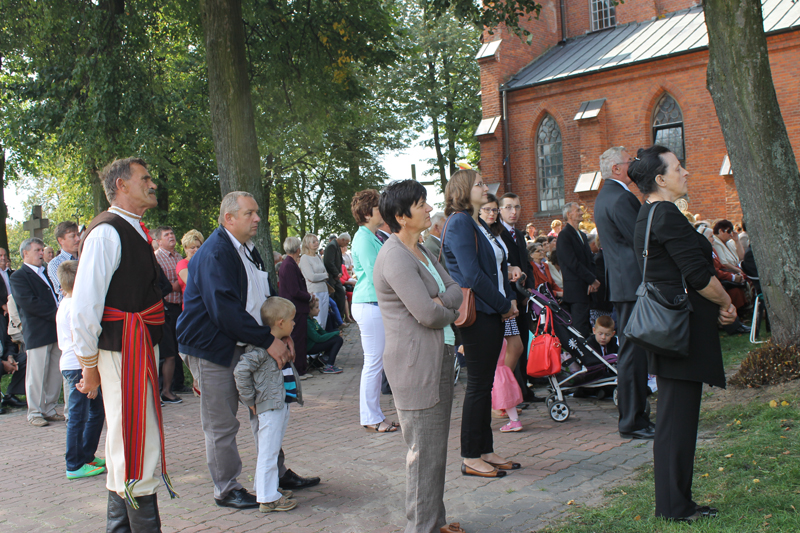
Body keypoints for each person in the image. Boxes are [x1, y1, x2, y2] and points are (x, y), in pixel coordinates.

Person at [177, 191, 320, 510]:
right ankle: (226, 489)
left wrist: (282, 330)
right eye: (250, 213)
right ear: (229, 218)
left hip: (249, 339)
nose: (257, 218)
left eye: (257, 212)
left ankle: (275, 474)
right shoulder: (216, 253)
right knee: (222, 421)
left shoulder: (248, 249)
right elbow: (224, 311)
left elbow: (264, 295)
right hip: (212, 346)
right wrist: (269, 340)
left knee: (268, 407)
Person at [628, 145, 735, 523]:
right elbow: (697, 274)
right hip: (679, 329)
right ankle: (674, 506)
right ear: (660, 179)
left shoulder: (649, 212)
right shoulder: (666, 214)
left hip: (671, 327)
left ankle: (678, 502)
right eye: (678, 167)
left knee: (678, 419)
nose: (686, 172)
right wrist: (725, 302)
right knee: (677, 421)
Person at [71, 157, 173, 529]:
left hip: (136, 346)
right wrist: (88, 364)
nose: (153, 183)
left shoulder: (130, 228)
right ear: (121, 186)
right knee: (136, 444)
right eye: (144, 178)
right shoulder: (106, 232)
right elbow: (85, 306)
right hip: (123, 350)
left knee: (126, 446)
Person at [373, 180, 465, 533]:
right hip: (414, 366)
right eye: (421, 203)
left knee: (434, 450)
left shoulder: (423, 248)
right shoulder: (395, 256)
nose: (429, 208)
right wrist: (445, 308)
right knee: (422, 454)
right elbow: (427, 314)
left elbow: (454, 290)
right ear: (401, 215)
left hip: (437, 356)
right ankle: (420, 527)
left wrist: (442, 304)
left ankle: (434, 522)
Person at [441, 169, 520, 478]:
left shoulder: (473, 222)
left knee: (485, 385)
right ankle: (471, 455)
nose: (485, 187)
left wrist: (505, 300)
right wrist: (503, 306)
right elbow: (472, 276)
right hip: (480, 314)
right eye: (479, 184)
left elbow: (494, 270)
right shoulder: (460, 222)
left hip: (491, 312)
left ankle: (485, 449)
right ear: (463, 190)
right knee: (477, 386)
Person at [593, 145, 654, 439]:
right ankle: (632, 420)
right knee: (633, 354)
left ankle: (635, 416)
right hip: (631, 284)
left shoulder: (608, 195)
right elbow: (640, 240)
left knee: (633, 353)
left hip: (624, 283)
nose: (634, 165)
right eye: (629, 162)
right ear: (617, 168)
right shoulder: (619, 197)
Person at [234, 297, 301, 514]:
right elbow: (241, 372)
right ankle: (267, 497)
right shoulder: (261, 350)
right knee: (269, 451)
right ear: (280, 322)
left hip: (280, 404)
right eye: (292, 320)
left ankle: (267, 488)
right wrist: (249, 399)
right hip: (270, 407)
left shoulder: (278, 345)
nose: (294, 324)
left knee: (271, 449)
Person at [349, 189, 399, 433]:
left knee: (378, 362)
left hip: (375, 303)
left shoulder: (375, 235)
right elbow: (377, 275)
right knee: (374, 363)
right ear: (368, 212)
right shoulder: (363, 238)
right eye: (379, 207)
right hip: (369, 304)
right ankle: (370, 416)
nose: (384, 210)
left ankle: (375, 414)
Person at [478, 194, 526, 424]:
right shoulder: (477, 234)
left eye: (494, 210)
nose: (491, 213)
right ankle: (497, 398)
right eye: (486, 209)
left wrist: (512, 271)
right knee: (499, 353)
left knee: (515, 347)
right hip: (491, 301)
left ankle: (502, 395)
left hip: (504, 297)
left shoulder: (495, 234)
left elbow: (500, 267)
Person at [56, 260, 107, 479]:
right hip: (78, 366)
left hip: (75, 365)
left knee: (95, 411)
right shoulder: (75, 306)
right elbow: (79, 342)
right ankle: (74, 464)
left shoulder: (66, 302)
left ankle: (86, 454)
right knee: (78, 415)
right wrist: (89, 374)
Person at [10, 237, 62, 427]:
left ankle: (49, 408)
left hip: (54, 330)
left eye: (42, 250)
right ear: (25, 254)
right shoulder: (18, 276)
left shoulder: (45, 272)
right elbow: (29, 303)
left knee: (54, 373)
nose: (42, 253)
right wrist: (58, 314)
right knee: (37, 374)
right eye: (37, 250)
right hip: (38, 331)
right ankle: (34, 412)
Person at [498, 192, 540, 404]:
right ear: (499, 210)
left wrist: (529, 288)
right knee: (512, 348)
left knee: (523, 343)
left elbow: (527, 264)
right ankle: (513, 393)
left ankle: (524, 390)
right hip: (509, 298)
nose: (513, 212)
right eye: (508, 207)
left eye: (517, 207)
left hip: (524, 296)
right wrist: (515, 293)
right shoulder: (498, 235)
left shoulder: (519, 234)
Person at [556, 202, 599, 338]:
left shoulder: (581, 234)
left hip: (586, 288)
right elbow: (572, 263)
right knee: (580, 328)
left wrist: (592, 281)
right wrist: (591, 279)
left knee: (586, 327)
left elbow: (589, 260)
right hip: (575, 290)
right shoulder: (564, 235)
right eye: (578, 210)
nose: (581, 212)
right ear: (569, 214)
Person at [154, 226, 184, 404]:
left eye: (172, 233)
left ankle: (178, 383)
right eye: (167, 235)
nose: (171, 237)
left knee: (178, 346)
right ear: (159, 241)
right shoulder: (156, 258)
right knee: (167, 350)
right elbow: (165, 286)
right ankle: (164, 389)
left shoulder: (179, 257)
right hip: (164, 307)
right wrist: (179, 282)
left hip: (180, 306)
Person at [278, 236, 313, 376]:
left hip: (294, 308)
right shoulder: (289, 266)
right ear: (298, 249)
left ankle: (300, 368)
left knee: (298, 338)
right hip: (295, 309)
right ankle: (299, 370)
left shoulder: (287, 264)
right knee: (298, 339)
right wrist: (309, 296)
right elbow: (294, 291)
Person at [298, 234, 330, 329]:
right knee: (317, 319)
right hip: (314, 291)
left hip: (324, 289)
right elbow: (311, 277)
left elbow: (325, 272)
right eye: (313, 241)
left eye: (317, 241)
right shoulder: (304, 258)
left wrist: (322, 276)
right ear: (307, 244)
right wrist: (324, 276)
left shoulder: (318, 257)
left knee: (324, 317)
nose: (317, 243)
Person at [306, 298, 344, 374]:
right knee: (338, 340)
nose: (319, 310)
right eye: (316, 308)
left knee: (335, 334)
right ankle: (329, 366)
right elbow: (318, 338)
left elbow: (323, 332)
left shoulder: (313, 320)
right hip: (311, 347)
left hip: (315, 343)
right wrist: (335, 334)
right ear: (309, 310)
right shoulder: (308, 322)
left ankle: (325, 358)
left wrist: (335, 333)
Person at [48, 221, 81, 302]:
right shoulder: (55, 264)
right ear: (61, 240)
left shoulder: (85, 257)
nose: (78, 239)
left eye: (78, 235)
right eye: (73, 236)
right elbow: (67, 290)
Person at [323, 233, 349, 323]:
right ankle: (336, 321)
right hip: (331, 277)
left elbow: (339, 261)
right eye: (346, 243)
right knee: (334, 297)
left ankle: (341, 318)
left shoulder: (336, 246)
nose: (346, 245)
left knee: (341, 294)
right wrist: (336, 273)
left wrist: (340, 272)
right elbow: (329, 262)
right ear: (342, 240)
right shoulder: (332, 246)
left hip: (336, 276)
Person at [176, 229, 205, 297]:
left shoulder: (204, 261)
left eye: (198, 247)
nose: (196, 250)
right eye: (192, 247)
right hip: (193, 303)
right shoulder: (182, 264)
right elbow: (193, 284)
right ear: (185, 248)